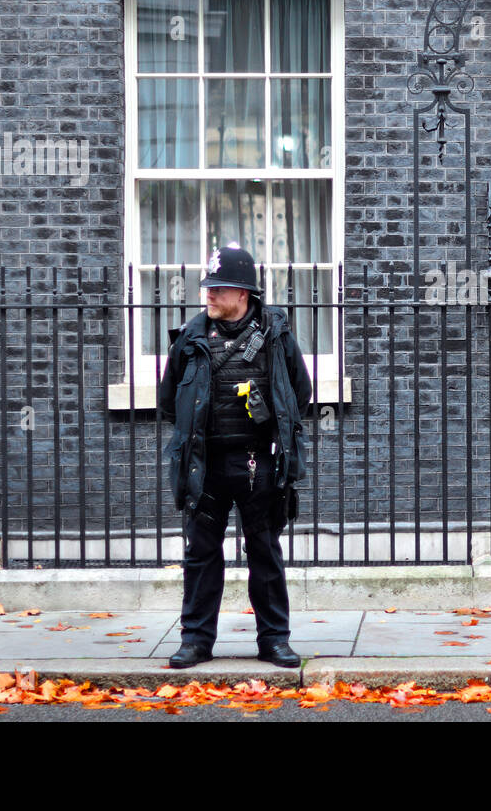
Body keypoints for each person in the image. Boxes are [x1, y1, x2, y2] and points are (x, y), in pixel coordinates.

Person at [157, 243, 312, 669]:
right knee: (201, 555)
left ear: (243, 293)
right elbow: (168, 400)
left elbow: (300, 393)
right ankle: (196, 641)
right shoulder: (190, 339)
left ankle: (274, 640)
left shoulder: (276, 336)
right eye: (207, 287)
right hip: (204, 466)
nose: (208, 295)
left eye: (218, 288)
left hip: (257, 463)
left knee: (264, 552)